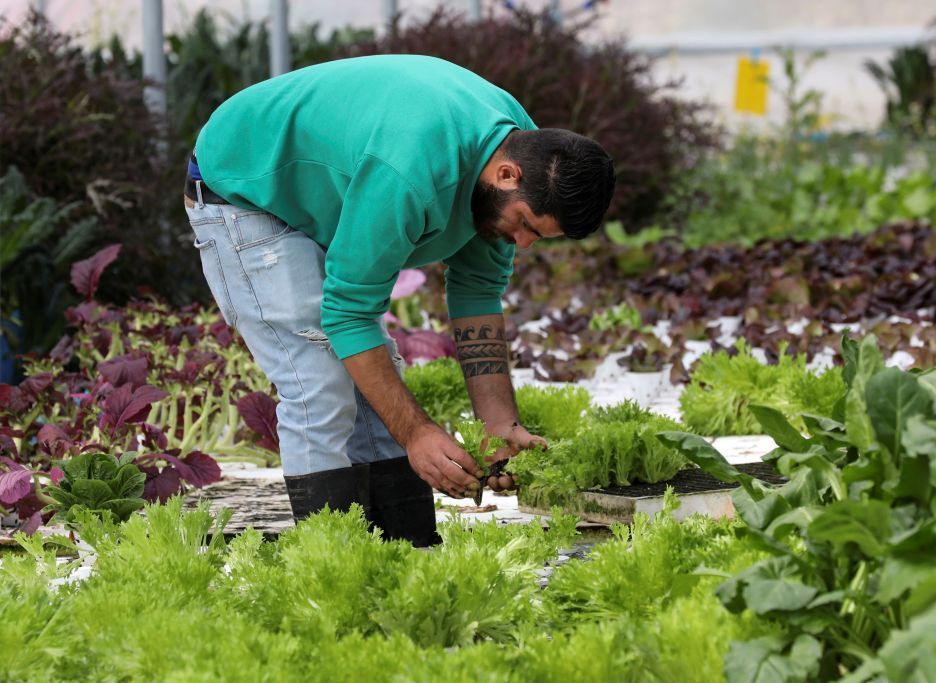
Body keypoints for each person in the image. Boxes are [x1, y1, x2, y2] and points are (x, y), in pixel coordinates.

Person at [183, 54, 616, 546]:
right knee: (318, 381)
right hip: (246, 184)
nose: (523, 244)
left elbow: (477, 292)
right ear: (508, 175)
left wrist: (499, 424)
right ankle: (330, 567)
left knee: (378, 376)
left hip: (339, 183)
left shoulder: (528, 158)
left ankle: (407, 552)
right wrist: (417, 434)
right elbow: (347, 314)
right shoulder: (411, 170)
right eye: (525, 225)